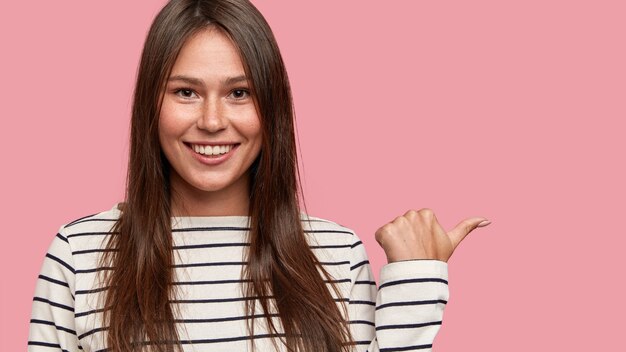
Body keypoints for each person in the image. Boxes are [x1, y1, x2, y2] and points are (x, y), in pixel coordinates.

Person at [27, 1, 490, 351]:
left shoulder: (336, 255)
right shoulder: (79, 254)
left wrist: (415, 282)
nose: (211, 120)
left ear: (273, 109)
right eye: (186, 92)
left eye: (239, 92)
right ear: (151, 103)